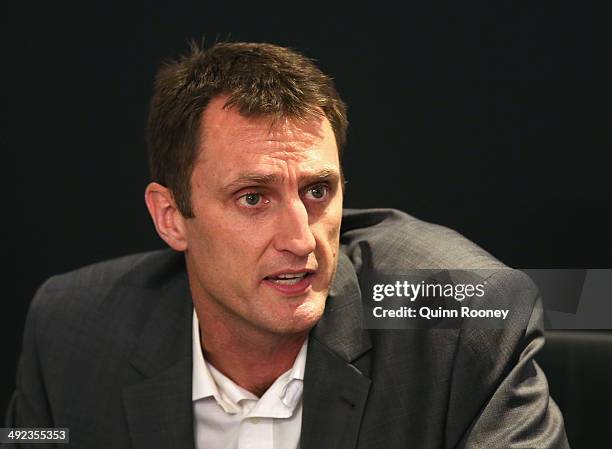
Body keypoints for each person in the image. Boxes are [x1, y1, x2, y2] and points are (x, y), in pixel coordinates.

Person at [5, 42, 569, 448]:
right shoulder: (70, 331)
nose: (302, 240)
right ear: (171, 216)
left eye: (318, 190)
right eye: (253, 198)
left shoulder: (465, 319)